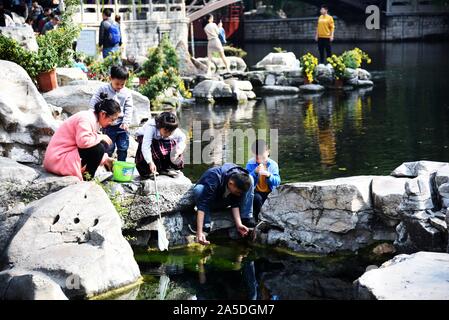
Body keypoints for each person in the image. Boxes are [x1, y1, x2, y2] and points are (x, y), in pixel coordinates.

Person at [43, 93, 119, 181]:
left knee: (99, 143)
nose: (112, 123)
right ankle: (88, 179)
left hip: (61, 156)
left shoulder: (92, 118)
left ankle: (87, 175)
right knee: (99, 148)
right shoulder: (86, 118)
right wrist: (101, 137)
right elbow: (83, 142)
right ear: (103, 114)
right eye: (112, 120)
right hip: (57, 160)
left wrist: (105, 159)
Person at [190, 163, 255, 245]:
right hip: (210, 201)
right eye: (238, 192)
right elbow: (203, 204)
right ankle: (206, 225)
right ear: (231, 183)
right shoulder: (214, 176)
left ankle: (246, 218)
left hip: (223, 200)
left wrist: (239, 224)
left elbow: (235, 203)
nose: (239, 195)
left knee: (251, 179)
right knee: (198, 190)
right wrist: (199, 232)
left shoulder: (239, 178)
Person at [89, 65, 133, 162]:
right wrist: (92, 114)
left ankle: (121, 164)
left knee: (123, 147)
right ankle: (106, 165)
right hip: (108, 125)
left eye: (123, 84)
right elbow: (95, 100)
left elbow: (129, 108)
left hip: (122, 125)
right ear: (110, 78)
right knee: (108, 147)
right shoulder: (103, 89)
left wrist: (126, 122)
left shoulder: (126, 93)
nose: (120, 87)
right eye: (117, 84)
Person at [134, 112, 186, 179]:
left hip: (160, 139)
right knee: (156, 148)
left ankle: (166, 168)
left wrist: (178, 151)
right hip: (146, 140)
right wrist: (150, 163)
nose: (168, 134)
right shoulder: (151, 127)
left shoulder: (172, 128)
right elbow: (145, 147)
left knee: (173, 144)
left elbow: (183, 138)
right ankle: (149, 171)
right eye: (166, 131)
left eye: (171, 132)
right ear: (159, 126)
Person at [245, 140, 281, 220]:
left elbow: (277, 181)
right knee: (257, 199)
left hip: (270, 191)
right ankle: (258, 218)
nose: (259, 158)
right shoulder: (250, 164)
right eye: (257, 157)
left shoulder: (273, 165)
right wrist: (254, 172)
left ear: (268, 152)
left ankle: (268, 218)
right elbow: (246, 180)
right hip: (256, 191)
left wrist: (269, 175)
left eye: (262, 156)